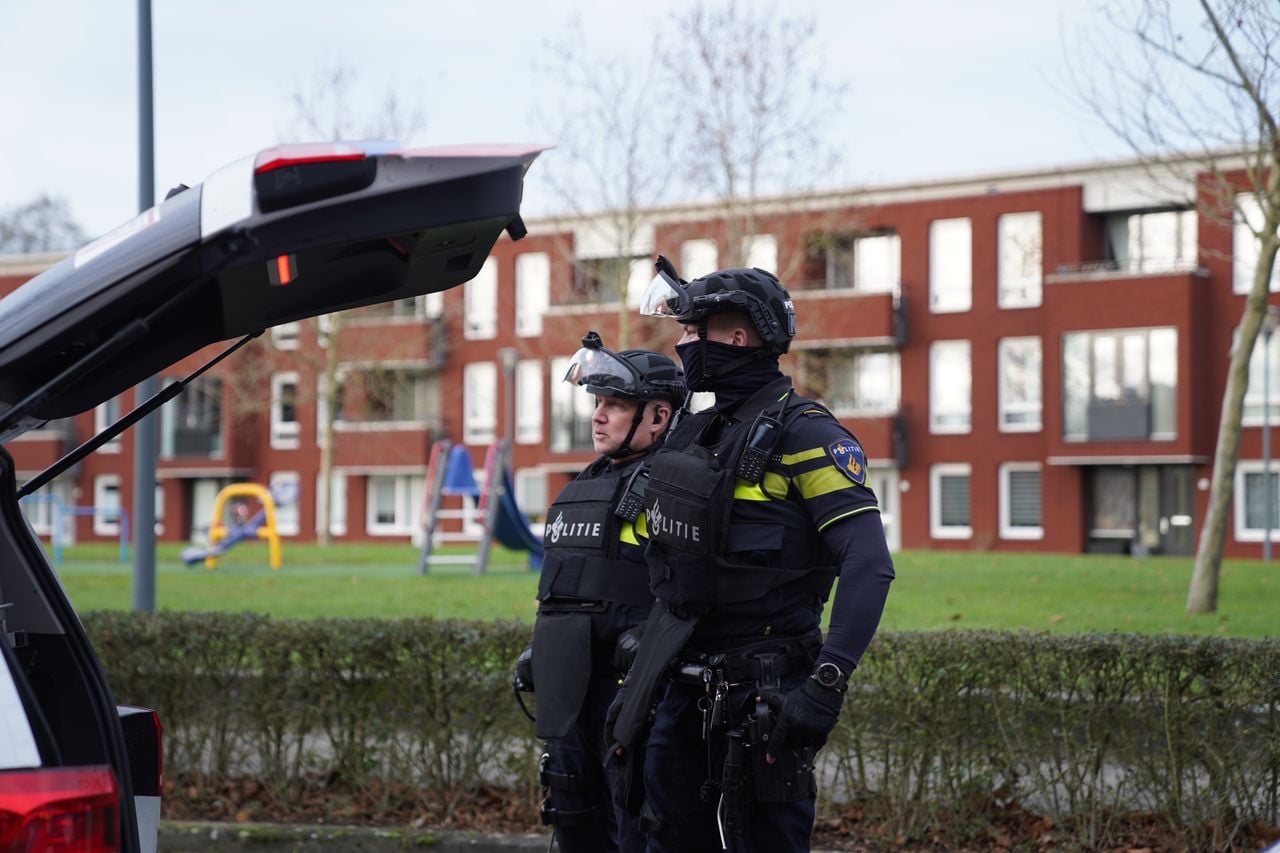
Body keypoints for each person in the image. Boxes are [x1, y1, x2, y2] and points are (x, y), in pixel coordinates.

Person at [607, 258, 895, 852]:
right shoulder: (695, 431)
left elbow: (869, 563)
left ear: (736, 337)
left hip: (765, 698)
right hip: (680, 687)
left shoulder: (806, 433)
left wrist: (825, 685)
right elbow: (652, 553)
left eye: (692, 332)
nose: (682, 345)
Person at [514, 331, 686, 853]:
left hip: (632, 703)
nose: (598, 415)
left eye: (615, 404)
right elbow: (563, 592)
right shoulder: (578, 488)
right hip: (570, 694)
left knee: (632, 826)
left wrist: (648, 641)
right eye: (597, 403)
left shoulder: (677, 487)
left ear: (658, 417)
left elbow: (693, 596)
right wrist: (538, 650)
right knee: (571, 817)